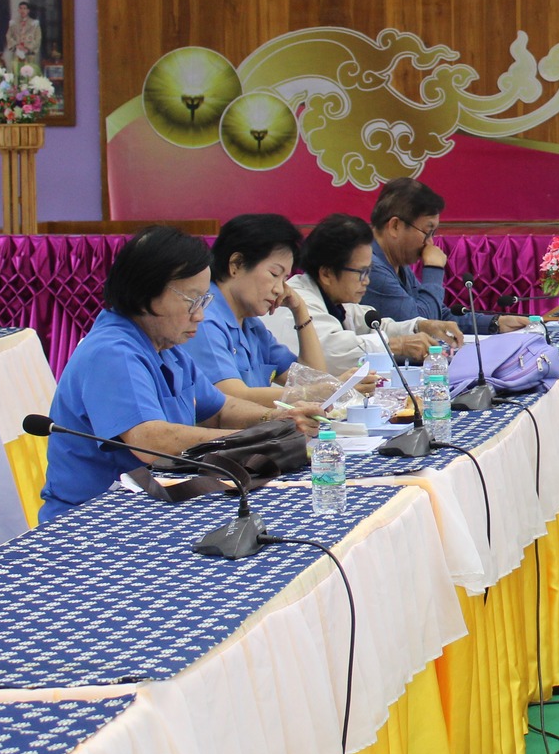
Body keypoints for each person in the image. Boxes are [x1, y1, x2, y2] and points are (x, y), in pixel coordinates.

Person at [39, 227, 320, 523]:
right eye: (192, 301)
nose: (200, 315)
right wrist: (256, 440)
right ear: (147, 292)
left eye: (204, 302)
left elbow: (220, 410)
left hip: (153, 506)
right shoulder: (112, 351)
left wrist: (275, 419)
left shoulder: (167, 347)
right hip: (93, 518)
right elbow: (150, 441)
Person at [189, 213, 331, 405]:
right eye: (274, 274)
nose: (280, 289)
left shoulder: (252, 326)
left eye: (285, 279)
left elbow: (312, 380)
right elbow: (233, 398)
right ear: (236, 264)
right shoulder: (204, 319)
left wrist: (300, 310)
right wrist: (315, 393)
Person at [361, 178, 527, 337]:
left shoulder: (396, 262)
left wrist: (496, 323)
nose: (430, 243)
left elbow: (440, 316)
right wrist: (433, 269)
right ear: (395, 226)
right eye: (427, 232)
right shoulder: (371, 268)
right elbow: (423, 324)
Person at [288, 213, 434, 375]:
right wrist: (397, 345)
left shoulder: (337, 300)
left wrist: (420, 326)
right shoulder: (298, 301)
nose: (367, 281)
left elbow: (376, 327)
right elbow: (331, 354)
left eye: (369, 271)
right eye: (361, 272)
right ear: (326, 273)